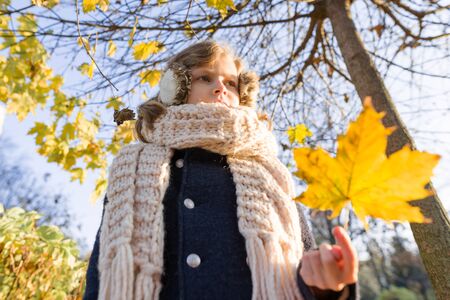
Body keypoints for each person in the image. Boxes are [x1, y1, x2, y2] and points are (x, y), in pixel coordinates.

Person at [83, 40, 359, 300]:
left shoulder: (269, 172)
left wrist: (329, 286)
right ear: (174, 88)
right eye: (206, 78)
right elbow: (103, 271)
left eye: (231, 83)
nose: (221, 88)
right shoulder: (131, 170)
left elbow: (303, 273)